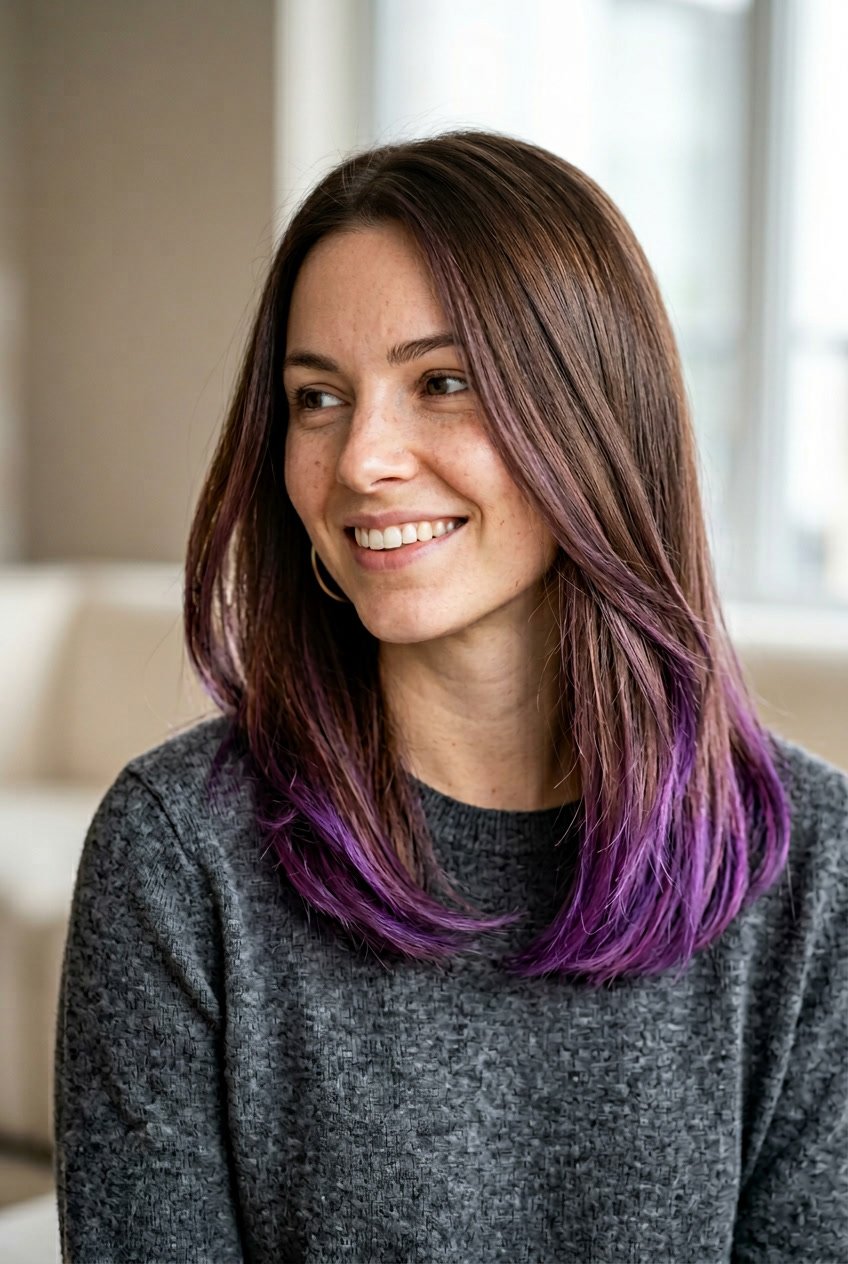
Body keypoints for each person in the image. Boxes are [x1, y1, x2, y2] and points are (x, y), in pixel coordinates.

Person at [53, 130, 847, 1262]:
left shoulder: (813, 870)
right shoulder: (179, 855)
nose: (361, 459)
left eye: (442, 382)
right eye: (317, 397)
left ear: (594, 413)